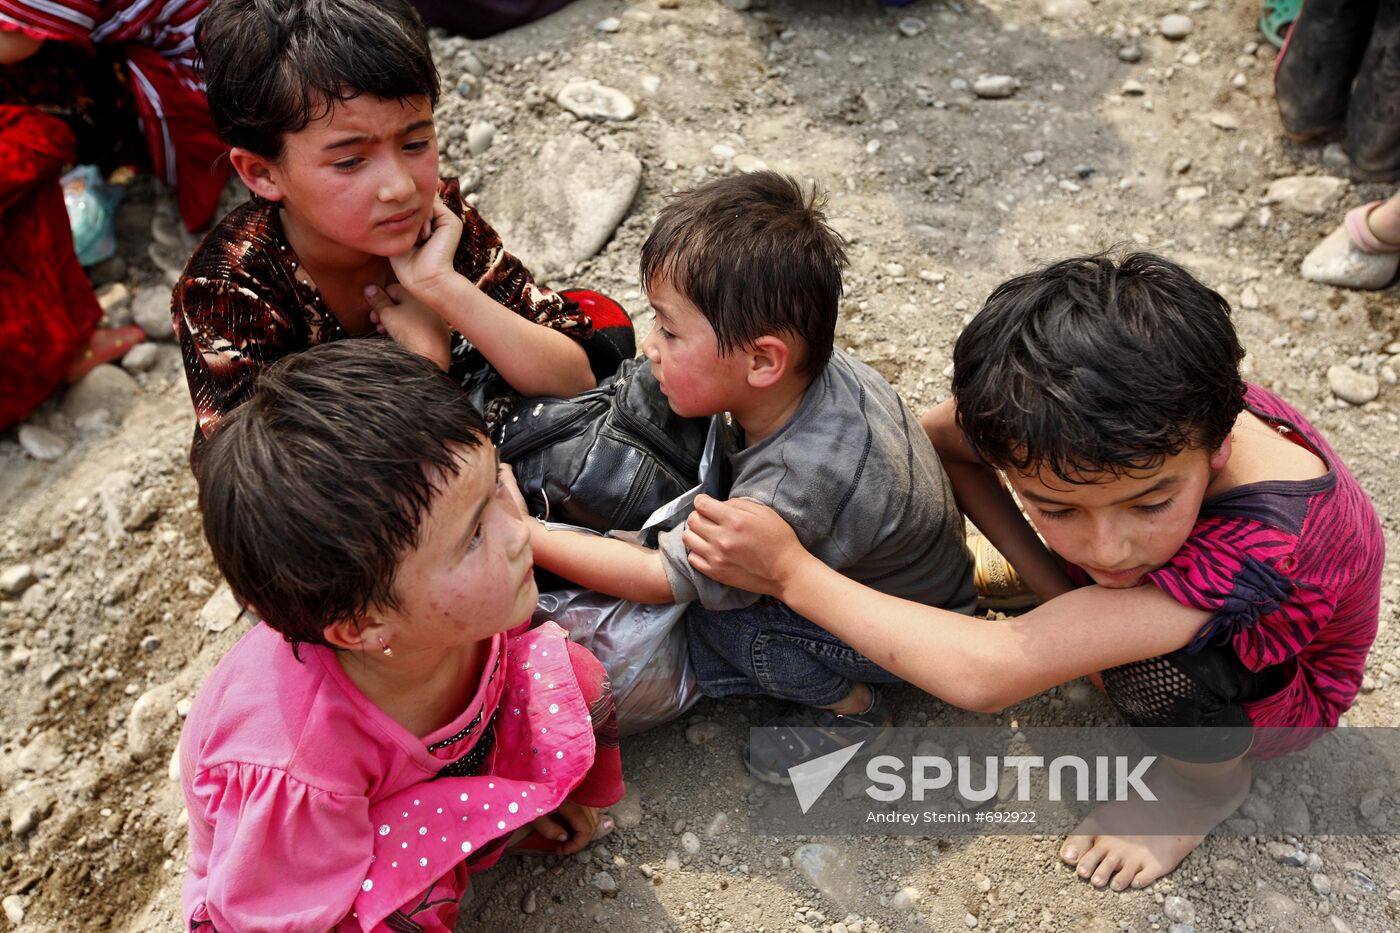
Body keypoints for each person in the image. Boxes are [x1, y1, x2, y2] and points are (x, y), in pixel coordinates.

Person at [682, 253, 1382, 891]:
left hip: (1280, 683)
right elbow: (943, 446)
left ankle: (1203, 787)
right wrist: (1054, 581)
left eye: (1151, 502)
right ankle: (1092, 609)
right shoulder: (1088, 410)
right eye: (1056, 506)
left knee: (1164, 670)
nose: (1107, 548)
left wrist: (790, 573)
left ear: (1220, 445)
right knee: (1101, 606)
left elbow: (988, 674)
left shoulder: (1269, 542)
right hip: (1175, 595)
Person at [507, 171, 976, 782]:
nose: (649, 347)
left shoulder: (791, 487)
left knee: (723, 620)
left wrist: (525, 533)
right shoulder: (822, 371)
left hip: (905, 635)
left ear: (762, 360)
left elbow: (658, 580)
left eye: (669, 331)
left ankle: (849, 710)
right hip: (927, 581)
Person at [181, 340, 624, 932]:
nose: (518, 534)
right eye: (472, 537)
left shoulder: (457, 611)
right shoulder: (297, 767)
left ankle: (524, 811)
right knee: (396, 916)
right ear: (363, 626)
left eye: (495, 483)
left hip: (434, 787)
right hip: (308, 876)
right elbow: (269, 917)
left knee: (569, 674)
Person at [173, 0, 632, 468]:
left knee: (605, 329)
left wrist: (444, 288)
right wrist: (423, 366)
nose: (400, 188)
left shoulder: (437, 221)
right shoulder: (227, 289)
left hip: (438, 435)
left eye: (415, 143)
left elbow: (577, 380)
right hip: (348, 489)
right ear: (262, 173)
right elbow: (280, 500)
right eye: (349, 161)